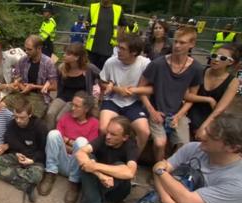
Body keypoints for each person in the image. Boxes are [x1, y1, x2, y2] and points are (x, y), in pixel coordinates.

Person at [122, 113, 242, 203]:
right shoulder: (194, 148)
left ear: (232, 148)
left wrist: (160, 171)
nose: (202, 135)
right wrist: (167, 201)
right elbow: (159, 171)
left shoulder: (237, 183)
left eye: (211, 136)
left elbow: (186, 199)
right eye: (206, 130)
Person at [138, 26, 203, 162]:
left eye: (182, 42)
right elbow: (141, 89)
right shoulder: (158, 64)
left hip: (178, 111)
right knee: (159, 142)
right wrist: (152, 111)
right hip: (156, 109)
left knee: (185, 145)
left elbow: (191, 97)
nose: (177, 46)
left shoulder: (196, 68)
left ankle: (172, 168)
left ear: (192, 44)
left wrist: (179, 115)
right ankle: (159, 167)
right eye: (176, 41)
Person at [38, 91, 99, 203]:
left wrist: (69, 141)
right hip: (61, 161)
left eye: (77, 106)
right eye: (72, 104)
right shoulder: (65, 118)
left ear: (86, 109)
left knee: (82, 142)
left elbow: (89, 149)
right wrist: (72, 146)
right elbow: (57, 141)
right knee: (53, 134)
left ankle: (74, 183)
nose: (72, 108)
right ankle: (50, 173)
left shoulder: (94, 124)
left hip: (78, 166)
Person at [75, 116, 138, 203]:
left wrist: (96, 167)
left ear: (125, 137)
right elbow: (80, 153)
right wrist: (100, 175)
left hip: (117, 192)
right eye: (108, 132)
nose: (108, 137)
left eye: (113, 134)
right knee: (88, 158)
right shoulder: (103, 138)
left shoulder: (131, 145)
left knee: (120, 166)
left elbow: (130, 172)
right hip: (101, 181)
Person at [99, 34, 151, 155]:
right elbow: (102, 83)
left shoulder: (145, 64)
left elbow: (152, 89)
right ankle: (104, 156)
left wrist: (134, 90)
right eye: (118, 47)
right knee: (103, 128)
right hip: (112, 100)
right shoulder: (111, 62)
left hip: (133, 102)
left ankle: (133, 160)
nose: (118, 51)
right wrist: (117, 89)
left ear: (133, 52)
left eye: (122, 48)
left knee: (144, 131)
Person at [0, 97, 48, 202]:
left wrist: (32, 160)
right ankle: (27, 185)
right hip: (17, 156)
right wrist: (16, 154)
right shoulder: (11, 125)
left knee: (36, 176)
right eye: (16, 117)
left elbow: (44, 151)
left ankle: (12, 174)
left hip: (34, 159)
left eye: (22, 117)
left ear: (30, 115)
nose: (18, 121)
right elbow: (11, 144)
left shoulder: (40, 127)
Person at [187, 44, 239, 140]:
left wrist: (204, 126)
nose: (216, 60)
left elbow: (219, 109)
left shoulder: (233, 82)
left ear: (230, 62)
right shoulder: (201, 72)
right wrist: (209, 99)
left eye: (222, 58)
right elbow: (187, 96)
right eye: (214, 56)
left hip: (213, 115)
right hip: (192, 109)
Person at [45, 43, 100, 131]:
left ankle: (60, 138)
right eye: (65, 53)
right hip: (63, 96)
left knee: (60, 118)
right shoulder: (62, 68)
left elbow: (103, 77)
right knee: (50, 113)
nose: (64, 55)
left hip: (77, 99)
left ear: (76, 57)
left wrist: (100, 93)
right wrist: (48, 83)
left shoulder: (89, 68)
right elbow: (53, 78)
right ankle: (49, 137)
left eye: (68, 54)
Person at [4, 35, 57, 118]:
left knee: (30, 116)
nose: (26, 51)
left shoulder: (48, 63)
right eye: (25, 49)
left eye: (29, 49)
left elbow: (54, 87)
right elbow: (17, 77)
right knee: (3, 105)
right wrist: (20, 86)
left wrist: (33, 87)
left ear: (39, 49)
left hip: (40, 96)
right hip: (23, 93)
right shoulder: (23, 60)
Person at [85, 0, 127, 69]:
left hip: (108, 48)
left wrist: (118, 36)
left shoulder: (118, 9)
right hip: (92, 48)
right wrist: (87, 25)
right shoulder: (93, 7)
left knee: (103, 72)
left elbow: (123, 25)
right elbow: (88, 23)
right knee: (90, 70)